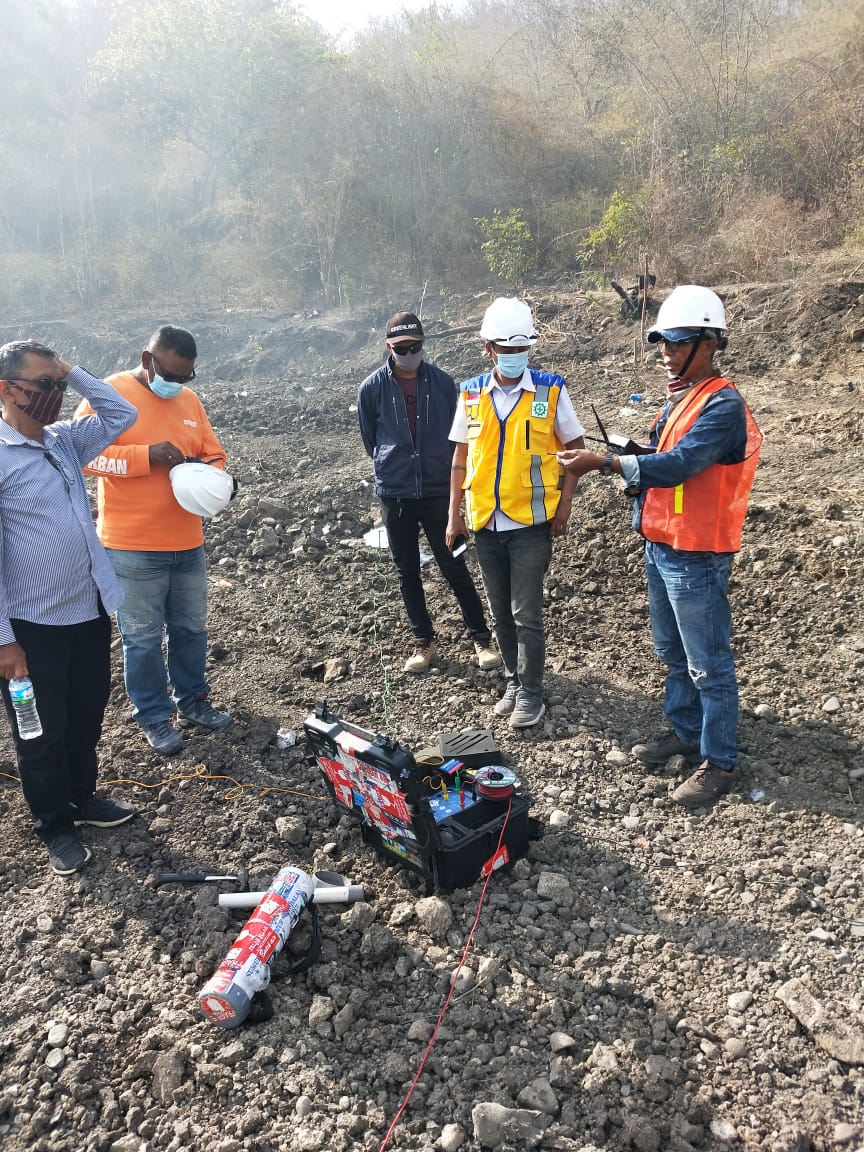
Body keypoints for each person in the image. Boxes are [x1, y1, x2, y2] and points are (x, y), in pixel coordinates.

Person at [558, 285, 762, 807]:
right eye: (664, 344)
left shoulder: (723, 405)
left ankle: (719, 760)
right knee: (673, 652)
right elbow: (664, 458)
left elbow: (682, 464)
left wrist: (608, 463)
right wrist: (635, 462)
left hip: (697, 552)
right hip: (663, 543)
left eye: (677, 343)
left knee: (708, 663)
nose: (666, 354)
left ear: (709, 343)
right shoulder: (683, 399)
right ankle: (687, 732)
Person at [0, 340, 139, 875]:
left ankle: (82, 798)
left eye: (56, 385)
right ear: (7, 390)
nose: (53, 394)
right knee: (40, 732)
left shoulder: (62, 441)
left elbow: (121, 413)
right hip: (32, 628)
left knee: (86, 716)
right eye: (43, 385)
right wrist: (4, 641)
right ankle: (54, 825)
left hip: (88, 612)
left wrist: (70, 371)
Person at [75, 325, 232, 756]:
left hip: (187, 542)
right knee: (142, 638)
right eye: (171, 375)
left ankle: (193, 701)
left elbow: (214, 453)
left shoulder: (189, 401)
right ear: (148, 360)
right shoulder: (109, 395)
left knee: (191, 628)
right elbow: (83, 455)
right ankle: (153, 716)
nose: (177, 384)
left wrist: (210, 474)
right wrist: (147, 456)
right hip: (132, 546)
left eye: (186, 377)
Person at [446, 297, 586, 728]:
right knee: (500, 612)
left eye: (521, 349)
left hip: (530, 523)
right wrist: (454, 515)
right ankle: (513, 678)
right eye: (506, 349)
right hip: (485, 521)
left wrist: (564, 505)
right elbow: (460, 458)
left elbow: (576, 451)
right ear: (488, 349)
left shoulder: (550, 390)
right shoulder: (471, 393)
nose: (514, 356)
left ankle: (531, 692)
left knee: (526, 614)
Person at [358, 311, 500, 674]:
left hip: (438, 490)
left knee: (455, 565)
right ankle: (423, 642)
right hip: (396, 494)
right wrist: (393, 464)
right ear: (388, 347)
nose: (410, 354)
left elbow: (458, 438)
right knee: (406, 571)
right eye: (402, 348)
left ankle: (481, 639)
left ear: (424, 345)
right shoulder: (371, 389)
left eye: (415, 347)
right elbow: (371, 440)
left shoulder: (442, 384)